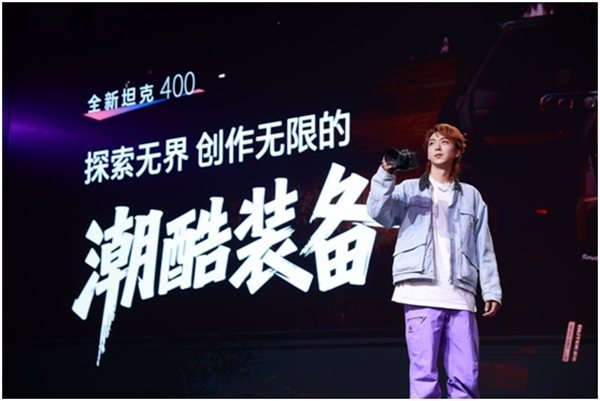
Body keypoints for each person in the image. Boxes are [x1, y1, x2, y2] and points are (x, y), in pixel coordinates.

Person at [366, 123, 502, 398]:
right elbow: (379, 213)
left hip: (460, 295)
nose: (437, 147)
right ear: (427, 153)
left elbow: (483, 246)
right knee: (424, 373)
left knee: (466, 375)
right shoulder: (409, 189)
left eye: (444, 142)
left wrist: (491, 290)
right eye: (432, 143)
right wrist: (385, 173)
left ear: (457, 151)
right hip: (420, 292)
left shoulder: (471, 196)